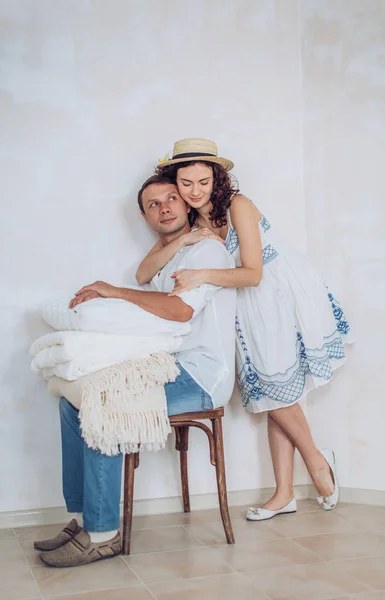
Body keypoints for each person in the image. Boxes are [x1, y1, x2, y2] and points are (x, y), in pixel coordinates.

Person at [137, 138, 352, 521]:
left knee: (276, 387)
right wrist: (185, 239)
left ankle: (317, 463)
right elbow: (143, 271)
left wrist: (200, 273)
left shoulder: (238, 205)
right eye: (186, 183)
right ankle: (284, 492)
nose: (195, 191)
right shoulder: (193, 221)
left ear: (216, 178)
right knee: (274, 391)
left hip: (276, 294)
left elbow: (253, 273)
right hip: (243, 305)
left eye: (203, 181)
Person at [35, 175, 236, 567]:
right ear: (144, 215)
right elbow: (145, 275)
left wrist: (114, 290)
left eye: (172, 199)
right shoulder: (178, 253)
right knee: (71, 401)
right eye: (154, 204)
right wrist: (178, 240)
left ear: (187, 203)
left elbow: (180, 310)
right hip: (167, 364)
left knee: (101, 404)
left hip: (201, 375)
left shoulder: (207, 253)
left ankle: (103, 535)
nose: (165, 208)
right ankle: (81, 518)